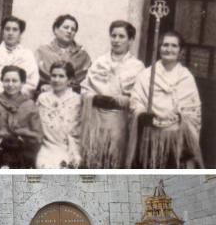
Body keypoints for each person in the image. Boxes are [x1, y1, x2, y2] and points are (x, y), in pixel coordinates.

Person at [126, 30, 204, 169]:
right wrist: (143, 114)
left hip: (176, 139)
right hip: (151, 137)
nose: (169, 49)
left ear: (181, 51)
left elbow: (194, 113)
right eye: (165, 45)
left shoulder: (186, 78)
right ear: (159, 48)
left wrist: (179, 118)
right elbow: (135, 101)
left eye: (174, 46)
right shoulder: (146, 75)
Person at [81, 21, 145, 168]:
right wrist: (94, 97)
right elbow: (85, 88)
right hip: (96, 118)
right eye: (113, 35)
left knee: (114, 159)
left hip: (119, 119)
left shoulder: (137, 66)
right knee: (94, 158)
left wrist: (121, 100)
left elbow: (138, 97)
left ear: (130, 40)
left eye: (121, 36)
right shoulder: (99, 62)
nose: (116, 40)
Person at [0, 65, 43, 168]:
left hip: (23, 151)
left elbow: (37, 135)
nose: (10, 84)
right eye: (6, 80)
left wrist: (23, 141)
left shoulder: (29, 104)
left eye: (15, 81)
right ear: (2, 81)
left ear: (22, 83)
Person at [36, 61, 82, 169]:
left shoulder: (77, 100)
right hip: (47, 144)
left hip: (69, 146)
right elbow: (37, 124)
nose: (56, 80)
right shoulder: (43, 98)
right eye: (54, 76)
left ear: (70, 80)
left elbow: (78, 128)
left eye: (61, 76)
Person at [0, 16, 39, 99]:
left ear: (20, 33)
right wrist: (0, 92)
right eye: (7, 29)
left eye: (15, 30)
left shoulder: (27, 55)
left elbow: (32, 81)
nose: (10, 33)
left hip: (19, 100)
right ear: (2, 31)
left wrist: (15, 94)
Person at [35, 14, 92, 92]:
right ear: (56, 29)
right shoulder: (42, 51)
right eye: (66, 27)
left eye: (73, 29)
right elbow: (35, 78)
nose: (69, 31)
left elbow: (86, 80)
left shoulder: (82, 55)